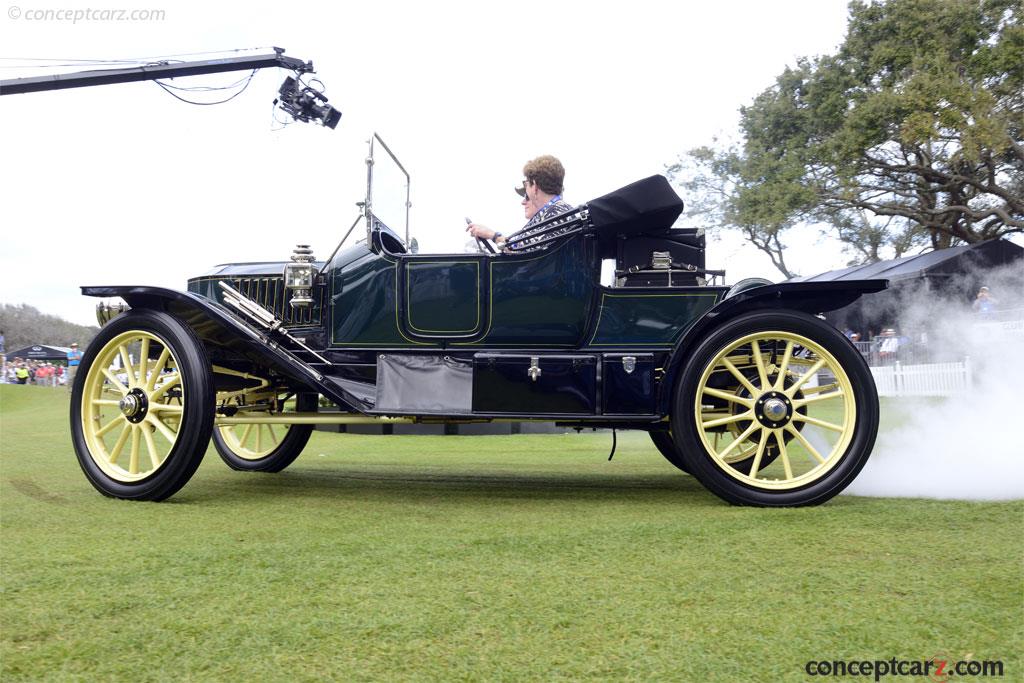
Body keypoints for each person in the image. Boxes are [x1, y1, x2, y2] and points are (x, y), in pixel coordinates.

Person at [466, 155, 574, 248]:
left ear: (535, 186)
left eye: (526, 184)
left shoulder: (555, 213)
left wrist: (492, 235)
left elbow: (519, 248)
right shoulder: (559, 211)